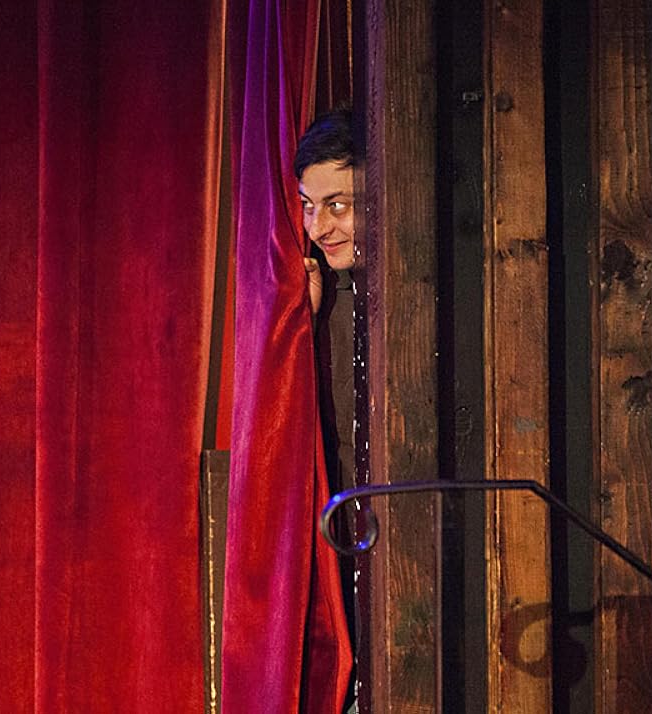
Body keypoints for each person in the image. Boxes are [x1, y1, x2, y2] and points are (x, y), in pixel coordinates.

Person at [294, 108, 358, 714]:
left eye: (337, 205)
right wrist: (304, 325)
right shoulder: (325, 298)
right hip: (343, 542)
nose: (320, 226)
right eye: (309, 206)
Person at [295, 108, 356, 313]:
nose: (315, 231)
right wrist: (306, 319)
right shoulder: (329, 292)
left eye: (336, 205)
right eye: (307, 205)